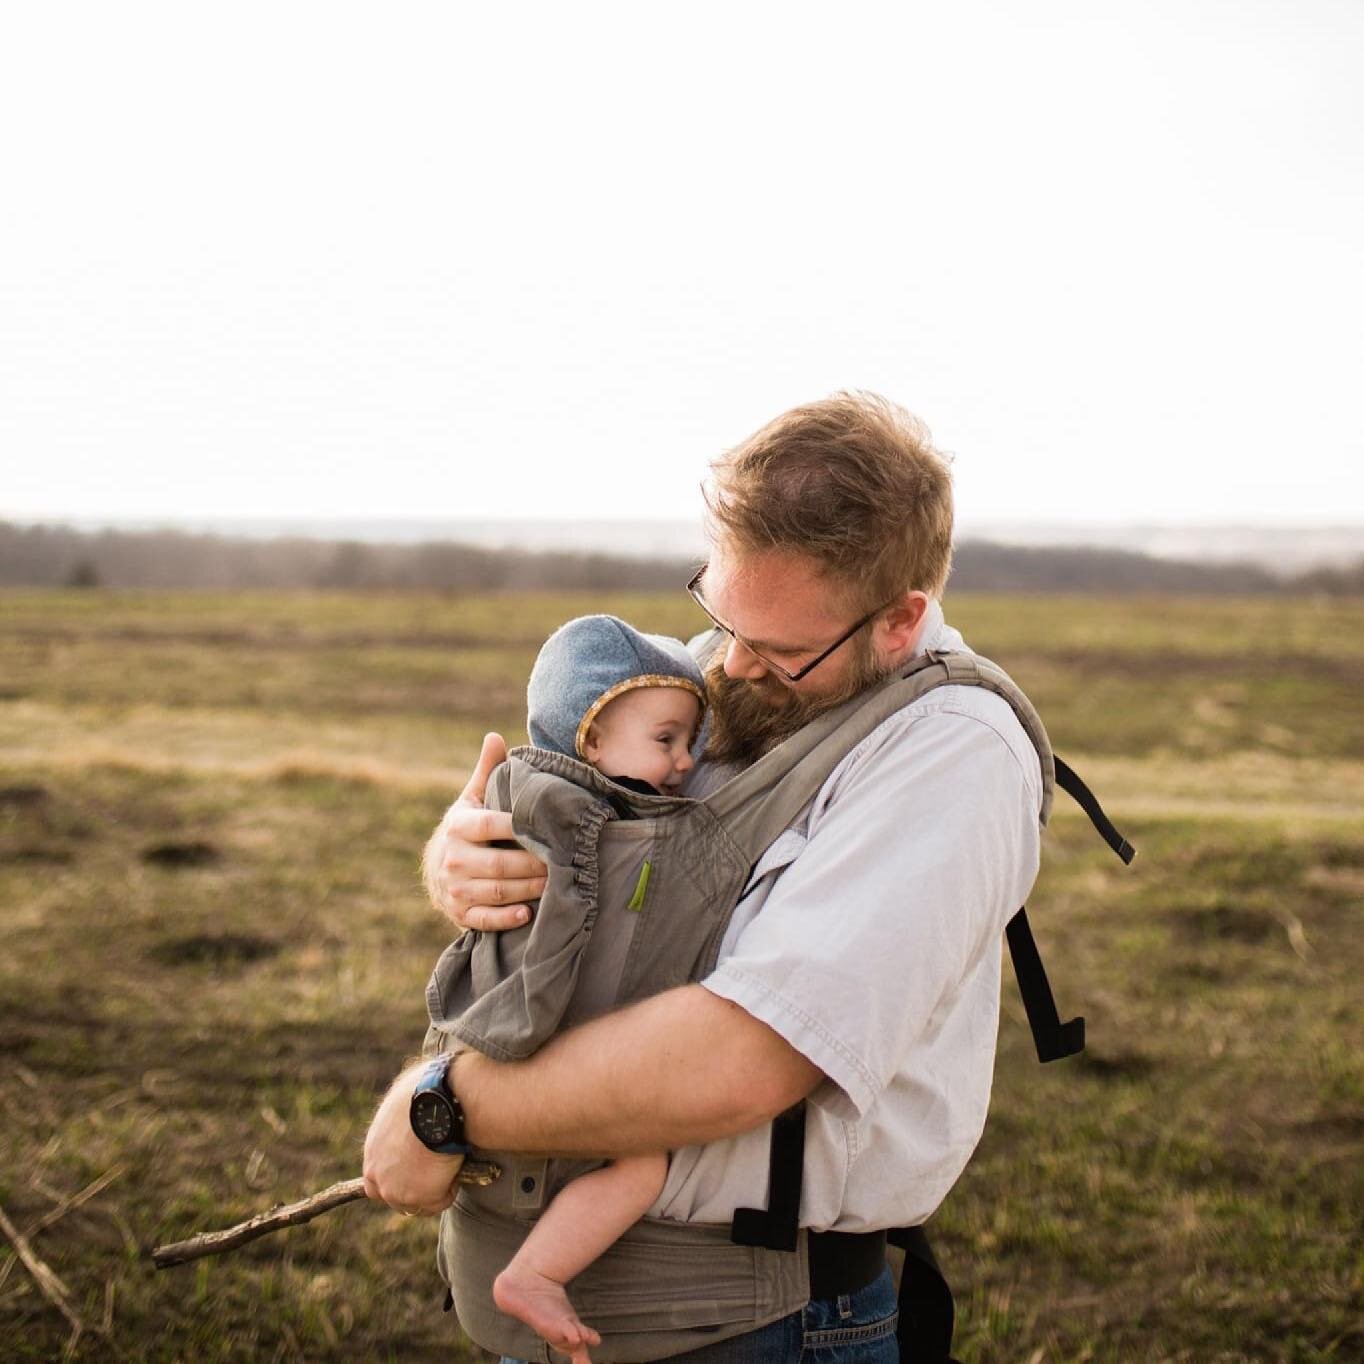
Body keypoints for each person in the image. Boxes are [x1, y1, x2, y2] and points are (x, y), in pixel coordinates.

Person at [365, 391, 1044, 1362]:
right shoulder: (725, 674)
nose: (726, 662)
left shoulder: (952, 753)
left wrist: (443, 1105)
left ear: (900, 619)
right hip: (576, 1306)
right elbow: (591, 812)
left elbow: (748, 1056)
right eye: (716, 610)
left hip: (755, 1324)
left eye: (772, 646)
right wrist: (464, 854)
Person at [479, 614, 707, 1363]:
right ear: (593, 740)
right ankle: (536, 1273)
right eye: (667, 739)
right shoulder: (583, 815)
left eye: (688, 744)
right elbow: (561, 939)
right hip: (563, 1034)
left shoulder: (557, 793)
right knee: (641, 1163)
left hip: (543, 1034)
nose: (683, 764)